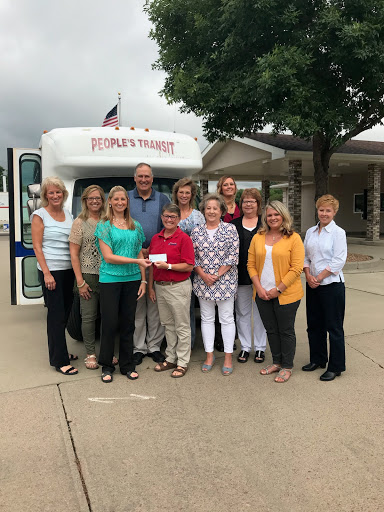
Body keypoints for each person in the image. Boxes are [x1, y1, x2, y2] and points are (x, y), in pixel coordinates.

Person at [94, 186, 151, 383]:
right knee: (109, 323)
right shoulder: (104, 226)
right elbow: (108, 257)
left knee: (128, 324)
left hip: (133, 279)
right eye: (116, 199)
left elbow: (139, 253)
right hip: (110, 279)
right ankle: (107, 364)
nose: (120, 202)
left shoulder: (135, 225)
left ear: (127, 202)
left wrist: (143, 279)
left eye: (123, 199)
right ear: (109, 201)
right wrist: (137, 263)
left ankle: (127, 365)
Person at [247, 201, 304, 383]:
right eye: (269, 215)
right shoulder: (258, 237)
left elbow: (296, 268)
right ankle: (277, 362)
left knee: (285, 330)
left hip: (286, 294)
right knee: (271, 330)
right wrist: (260, 288)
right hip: (262, 293)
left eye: (276, 215)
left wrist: (278, 289)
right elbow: (251, 264)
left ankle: (287, 366)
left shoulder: (293, 238)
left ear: (283, 216)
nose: (273, 218)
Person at [31, 176, 77, 375]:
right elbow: (37, 247)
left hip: (68, 271)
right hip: (51, 272)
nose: (55, 195)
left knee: (65, 313)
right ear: (45, 195)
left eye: (58, 192)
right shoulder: (39, 215)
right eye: (51, 192)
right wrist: (47, 273)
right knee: (56, 315)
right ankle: (59, 361)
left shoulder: (68, 214)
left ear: (63, 194)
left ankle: (62, 351)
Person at [191, 193, 239, 375]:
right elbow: (193, 257)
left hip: (225, 281)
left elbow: (233, 255)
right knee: (207, 318)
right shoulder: (196, 232)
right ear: (203, 210)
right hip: (203, 282)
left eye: (215, 208)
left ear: (222, 211)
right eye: (208, 208)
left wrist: (217, 275)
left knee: (226, 318)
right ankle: (209, 355)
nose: (211, 211)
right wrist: (204, 275)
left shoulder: (230, 229)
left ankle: (227, 356)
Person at [302, 194, 347, 381]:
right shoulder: (311, 232)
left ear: (334, 212)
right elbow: (305, 257)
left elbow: (338, 261)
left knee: (333, 327)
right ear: (317, 210)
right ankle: (318, 359)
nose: (324, 213)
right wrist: (307, 275)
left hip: (331, 286)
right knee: (314, 324)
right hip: (312, 284)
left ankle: (335, 366)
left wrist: (318, 277)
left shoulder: (339, 233)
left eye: (328, 210)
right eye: (321, 210)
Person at [128, 163, 169, 365]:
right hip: (132, 259)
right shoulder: (125, 198)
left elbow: (166, 228)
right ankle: (138, 348)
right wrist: (138, 250)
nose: (144, 180)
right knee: (137, 306)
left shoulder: (163, 199)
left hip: (156, 257)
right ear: (134, 178)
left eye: (147, 176)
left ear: (152, 179)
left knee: (155, 305)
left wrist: (151, 250)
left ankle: (153, 346)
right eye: (140, 176)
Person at [148, 204, 195, 378]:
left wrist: (168, 266)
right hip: (160, 287)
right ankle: (171, 357)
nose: (169, 220)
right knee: (168, 325)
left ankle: (182, 362)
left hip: (178, 287)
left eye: (173, 217)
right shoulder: (156, 239)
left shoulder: (184, 239)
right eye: (166, 216)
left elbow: (189, 265)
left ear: (178, 219)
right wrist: (151, 286)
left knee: (182, 326)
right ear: (162, 217)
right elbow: (153, 266)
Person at [69, 185, 107, 370]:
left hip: (109, 276)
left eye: (98, 198)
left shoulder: (108, 220)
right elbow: (74, 254)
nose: (95, 201)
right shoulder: (79, 222)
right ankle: (91, 354)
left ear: (102, 200)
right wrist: (80, 282)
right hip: (88, 277)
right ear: (85, 200)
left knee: (108, 317)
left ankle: (106, 353)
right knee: (89, 317)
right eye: (91, 198)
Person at [231, 188, 267, 363]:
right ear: (241, 204)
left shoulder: (266, 224)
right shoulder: (234, 224)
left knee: (260, 312)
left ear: (258, 204)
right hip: (240, 276)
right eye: (245, 201)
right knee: (242, 313)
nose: (248, 204)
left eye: (252, 201)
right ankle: (245, 347)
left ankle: (260, 348)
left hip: (262, 276)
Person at [172, 177, 205, 348]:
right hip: (171, 267)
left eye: (187, 192)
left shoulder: (198, 216)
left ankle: (188, 344)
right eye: (181, 192)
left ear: (192, 195)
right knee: (173, 307)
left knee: (188, 306)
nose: (184, 195)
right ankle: (173, 344)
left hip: (191, 267)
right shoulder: (170, 212)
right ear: (176, 193)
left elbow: (203, 242)